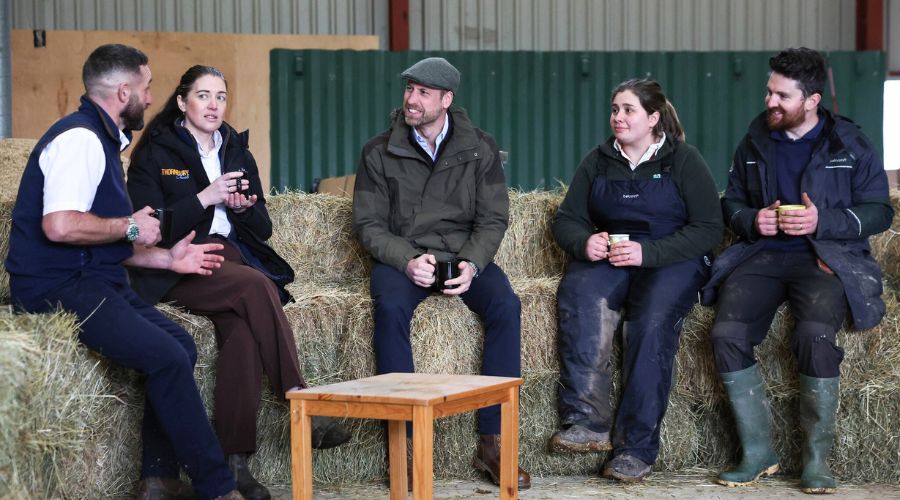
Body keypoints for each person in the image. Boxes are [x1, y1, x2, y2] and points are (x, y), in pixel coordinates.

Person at [5, 45, 244, 500]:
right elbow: (60, 226)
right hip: (56, 287)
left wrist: (167, 260)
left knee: (180, 345)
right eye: (147, 87)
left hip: (94, 279)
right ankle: (218, 488)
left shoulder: (103, 140)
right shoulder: (79, 141)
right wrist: (131, 225)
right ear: (123, 91)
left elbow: (99, 239)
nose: (151, 97)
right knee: (169, 357)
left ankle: (158, 477)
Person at [126, 65, 350, 500]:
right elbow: (149, 229)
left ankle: (235, 466)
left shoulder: (235, 149)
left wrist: (245, 209)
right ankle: (300, 399)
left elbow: (263, 228)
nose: (213, 105)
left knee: (244, 335)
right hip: (180, 260)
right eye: (203, 96)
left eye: (221, 97)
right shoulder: (156, 152)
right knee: (255, 287)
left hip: (232, 258)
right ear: (181, 102)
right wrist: (205, 198)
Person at [702, 47, 893, 495]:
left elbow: (880, 213)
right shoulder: (754, 141)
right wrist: (753, 220)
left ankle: (816, 461)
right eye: (769, 91)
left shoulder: (849, 143)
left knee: (814, 337)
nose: (770, 101)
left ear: (811, 100)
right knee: (725, 335)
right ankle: (758, 453)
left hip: (826, 256)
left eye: (781, 95)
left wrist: (821, 221)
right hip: (763, 255)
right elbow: (731, 202)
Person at [352, 57, 530, 489]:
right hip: (406, 257)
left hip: (460, 255)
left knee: (506, 305)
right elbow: (369, 224)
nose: (412, 100)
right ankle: (408, 444)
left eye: (423, 93)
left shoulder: (479, 147)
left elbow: (493, 219)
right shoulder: (379, 149)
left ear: (446, 100)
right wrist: (406, 259)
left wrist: (471, 264)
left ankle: (494, 443)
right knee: (391, 306)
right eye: (409, 90)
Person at [550, 79, 723, 482]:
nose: (618, 117)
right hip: (613, 254)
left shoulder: (682, 160)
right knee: (580, 293)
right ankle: (588, 423)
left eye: (628, 110)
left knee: (648, 323)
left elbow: (708, 228)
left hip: (673, 257)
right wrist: (583, 242)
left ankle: (635, 448)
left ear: (653, 118)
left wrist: (650, 253)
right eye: (614, 109)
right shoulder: (598, 160)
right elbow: (567, 219)